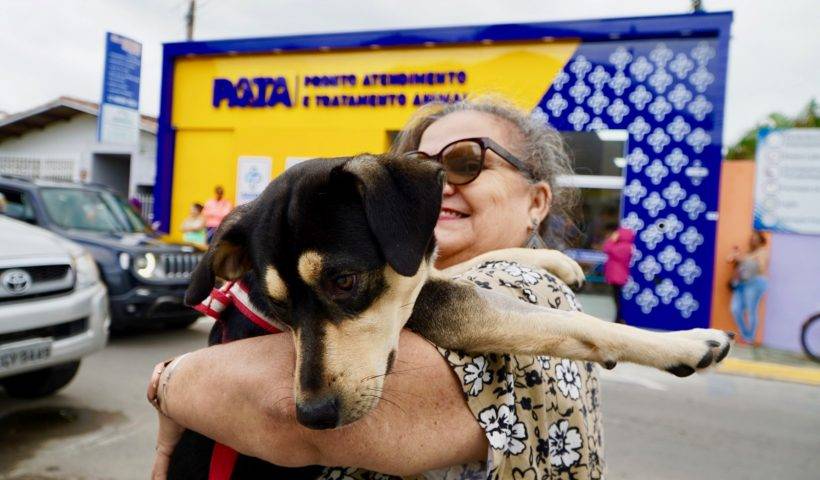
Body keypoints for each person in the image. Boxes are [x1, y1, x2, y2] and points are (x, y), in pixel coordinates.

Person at [148, 97, 604, 479]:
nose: (438, 184)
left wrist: (174, 382)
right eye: (421, 169)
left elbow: (287, 414)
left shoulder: (528, 291)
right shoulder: (403, 291)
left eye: (466, 162)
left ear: (537, 202)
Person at [728, 231, 769, 344]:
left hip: (755, 283)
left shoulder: (762, 252)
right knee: (735, 309)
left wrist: (744, 259)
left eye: (755, 238)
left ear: (761, 240)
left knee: (751, 310)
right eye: (752, 238)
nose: (753, 240)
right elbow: (732, 260)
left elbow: (760, 267)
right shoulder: (748, 252)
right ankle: (745, 335)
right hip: (741, 283)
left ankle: (749, 338)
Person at [602, 224, 635, 324]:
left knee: (617, 298)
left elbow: (607, 248)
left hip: (618, 276)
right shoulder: (627, 246)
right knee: (616, 298)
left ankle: (618, 319)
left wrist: (612, 239)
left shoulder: (624, 247)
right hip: (617, 276)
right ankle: (618, 318)